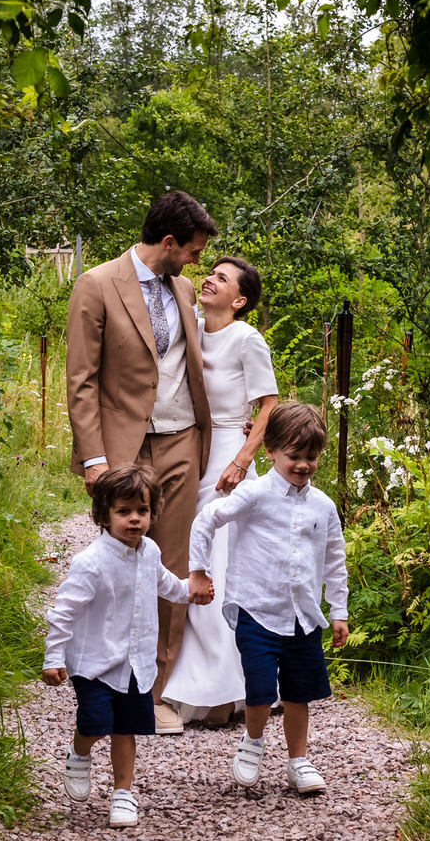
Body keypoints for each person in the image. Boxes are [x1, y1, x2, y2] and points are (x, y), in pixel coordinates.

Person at [66, 190, 216, 735]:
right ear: (169, 242)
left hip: (181, 440)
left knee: (171, 564)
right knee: (113, 569)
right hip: (123, 448)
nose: (198, 261)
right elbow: (80, 380)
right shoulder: (97, 284)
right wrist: (94, 459)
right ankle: (99, 673)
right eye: (194, 250)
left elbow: (193, 363)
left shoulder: (184, 289)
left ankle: (157, 692)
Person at [186, 402, 350, 794]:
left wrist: (339, 610)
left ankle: (299, 761)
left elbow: (334, 560)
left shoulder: (323, 506)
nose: (303, 465)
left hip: (302, 616)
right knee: (260, 690)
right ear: (271, 450)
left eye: (311, 457)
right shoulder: (254, 495)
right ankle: (253, 742)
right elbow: (207, 519)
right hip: (256, 611)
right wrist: (198, 570)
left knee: (298, 694)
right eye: (295, 456)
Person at [41, 465, 214, 828]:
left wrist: (190, 592)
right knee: (95, 723)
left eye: (142, 511)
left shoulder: (149, 550)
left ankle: (123, 793)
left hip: (136, 664)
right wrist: (54, 656)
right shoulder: (90, 563)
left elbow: (165, 584)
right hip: (96, 663)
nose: (134, 519)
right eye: (123, 512)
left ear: (153, 513)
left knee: (125, 729)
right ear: (104, 515)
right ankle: (79, 752)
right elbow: (63, 612)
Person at [161, 256, 279, 726]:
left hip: (230, 450)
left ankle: (229, 685)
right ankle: (200, 674)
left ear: (240, 300)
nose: (209, 278)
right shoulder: (190, 323)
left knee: (220, 560)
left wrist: (242, 460)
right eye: (210, 271)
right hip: (194, 445)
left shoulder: (246, 338)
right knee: (191, 549)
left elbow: (269, 402)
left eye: (222, 278)